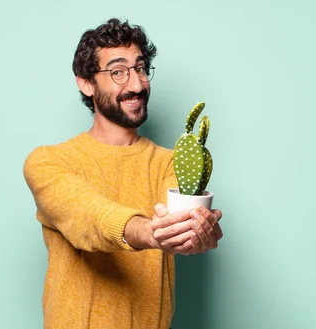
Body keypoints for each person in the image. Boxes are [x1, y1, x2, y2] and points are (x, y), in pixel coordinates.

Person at [23, 18, 223, 329]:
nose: (136, 84)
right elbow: (89, 216)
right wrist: (151, 232)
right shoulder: (48, 162)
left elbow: (181, 228)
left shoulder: (170, 163)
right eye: (118, 72)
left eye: (141, 68)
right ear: (86, 83)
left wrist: (197, 232)